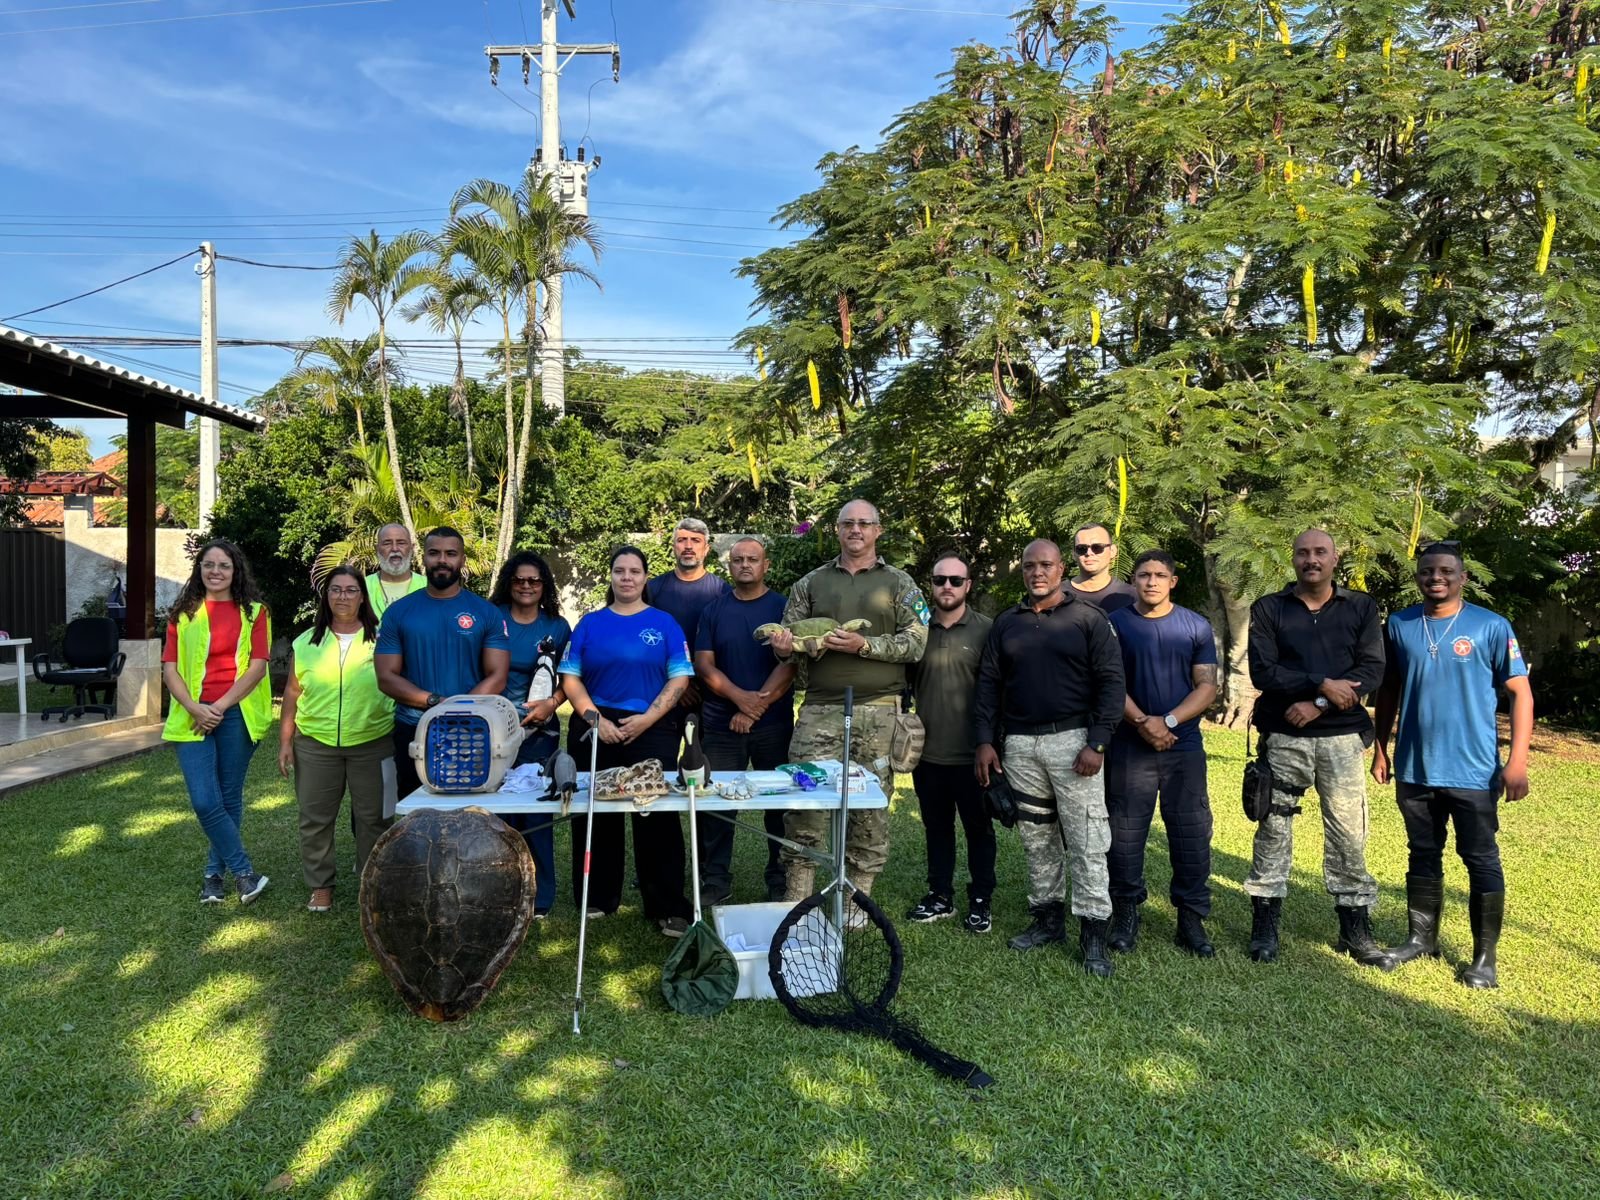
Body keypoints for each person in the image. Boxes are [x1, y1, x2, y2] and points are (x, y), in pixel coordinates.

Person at [1371, 542, 1534, 988]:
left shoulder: (1491, 626)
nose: (1435, 578)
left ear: (1462, 578)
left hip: (1474, 770)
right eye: (1427, 571)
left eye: (1445, 571)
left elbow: (1520, 693)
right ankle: (1421, 939)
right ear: (1418, 576)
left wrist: (1516, 761)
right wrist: (1381, 748)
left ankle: (1484, 958)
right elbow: (1388, 691)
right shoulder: (1401, 624)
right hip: (1415, 767)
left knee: (1480, 858)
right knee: (1422, 853)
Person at [975, 539, 1125, 976]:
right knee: (1036, 839)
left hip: (1073, 742)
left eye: (1046, 565)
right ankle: (1047, 920)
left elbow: (1112, 683)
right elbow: (987, 685)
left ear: (1061, 570)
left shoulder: (1087, 619)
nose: (1037, 573)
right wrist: (985, 740)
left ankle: (1094, 933)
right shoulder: (1007, 623)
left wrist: (1097, 742)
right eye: (1029, 566)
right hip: (1020, 745)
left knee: (1086, 840)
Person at [770, 500, 929, 905]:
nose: (855, 530)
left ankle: (856, 901)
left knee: (869, 809)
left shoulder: (900, 584)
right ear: (837, 530)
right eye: (847, 523)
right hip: (819, 710)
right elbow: (789, 646)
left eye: (864, 523)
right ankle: (797, 899)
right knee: (805, 803)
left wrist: (865, 646)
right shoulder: (811, 584)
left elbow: (917, 642)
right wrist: (786, 647)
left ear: (878, 530)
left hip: (880, 712)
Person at [1244, 528, 1390, 968]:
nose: (1312, 559)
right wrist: (1318, 682)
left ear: (1335, 558)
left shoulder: (1361, 607)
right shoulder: (1269, 608)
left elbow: (1372, 670)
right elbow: (1263, 672)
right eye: (1304, 552)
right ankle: (1265, 923)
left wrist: (1318, 702)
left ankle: (1354, 929)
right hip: (1285, 737)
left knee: (1349, 831)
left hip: (1342, 739)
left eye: (1320, 552)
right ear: (1292, 559)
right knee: (1273, 827)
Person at [559, 546, 696, 937]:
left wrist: (649, 719)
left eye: (634, 571)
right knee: (596, 814)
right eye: (619, 571)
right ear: (611, 577)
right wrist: (594, 718)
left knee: (656, 816)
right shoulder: (590, 623)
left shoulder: (665, 623)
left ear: (645, 578)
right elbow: (571, 677)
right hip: (595, 724)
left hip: (650, 725)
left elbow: (680, 678)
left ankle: (667, 905)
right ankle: (598, 898)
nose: (626, 578)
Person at [1104, 550, 1219, 957]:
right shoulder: (1114, 625)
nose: (1151, 581)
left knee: (1190, 834)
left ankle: (1190, 918)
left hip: (1182, 747)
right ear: (1132, 580)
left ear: (1172, 581)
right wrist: (1142, 723)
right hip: (1129, 747)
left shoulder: (1195, 626)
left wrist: (1166, 722)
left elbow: (1207, 687)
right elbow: (1110, 683)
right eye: (1143, 575)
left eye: (1159, 575)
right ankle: (1126, 913)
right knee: (1124, 836)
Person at [161, 539, 273, 905]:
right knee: (205, 800)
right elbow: (170, 669)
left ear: (235, 571)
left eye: (224, 565)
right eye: (208, 565)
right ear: (200, 570)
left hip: (235, 714)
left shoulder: (256, 613)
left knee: (227, 796)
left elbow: (257, 668)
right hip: (192, 715)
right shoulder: (183, 614)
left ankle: (213, 876)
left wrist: (219, 707)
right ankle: (244, 872)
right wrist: (196, 708)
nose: (216, 571)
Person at [278, 565, 393, 913]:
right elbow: (292, 693)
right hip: (316, 744)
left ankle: (372, 883)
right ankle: (321, 885)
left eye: (351, 590)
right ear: (326, 597)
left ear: (363, 596)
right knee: (315, 818)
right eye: (336, 590)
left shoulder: (383, 638)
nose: (343, 596)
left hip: (374, 741)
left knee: (376, 817)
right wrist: (286, 742)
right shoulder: (306, 642)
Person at [693, 537, 796, 905]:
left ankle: (781, 878)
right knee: (717, 806)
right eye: (738, 560)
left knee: (780, 806)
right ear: (729, 566)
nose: (745, 565)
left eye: (753, 559)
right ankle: (715, 880)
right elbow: (704, 665)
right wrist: (740, 699)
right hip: (721, 725)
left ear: (766, 565)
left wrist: (755, 708)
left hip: (774, 725)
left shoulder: (784, 608)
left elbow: (792, 664)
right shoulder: (714, 610)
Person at [374, 527, 509, 800]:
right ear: (423, 558)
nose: (442, 560)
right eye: (434, 553)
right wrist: (437, 703)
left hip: (473, 729)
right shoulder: (399, 613)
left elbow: (497, 676)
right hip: (414, 729)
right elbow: (386, 677)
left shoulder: (486, 612)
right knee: (416, 814)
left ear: (462, 560)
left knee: (472, 814)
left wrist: (460, 711)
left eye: (451, 554)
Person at [904, 552, 997, 933]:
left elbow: (998, 692)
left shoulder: (988, 630)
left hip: (974, 753)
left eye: (955, 581)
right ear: (931, 584)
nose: (947, 586)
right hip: (927, 754)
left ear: (968, 586)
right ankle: (940, 895)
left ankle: (981, 900)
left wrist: (989, 743)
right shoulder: (916, 631)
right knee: (936, 828)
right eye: (940, 579)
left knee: (979, 829)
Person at [489, 551, 572, 919]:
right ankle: (501, 890)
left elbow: (571, 678)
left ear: (544, 586)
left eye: (534, 580)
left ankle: (541, 897)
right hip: (493, 730)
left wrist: (552, 704)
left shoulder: (558, 626)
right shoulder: (492, 620)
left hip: (540, 730)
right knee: (497, 815)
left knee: (536, 814)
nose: (526, 586)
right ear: (509, 582)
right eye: (519, 580)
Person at [1065, 523, 1137, 614]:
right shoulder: (1057, 595)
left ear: (1112, 551)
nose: (1089, 553)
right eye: (1082, 548)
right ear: (1074, 554)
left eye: (1097, 547)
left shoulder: (1130, 596)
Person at [365, 523, 426, 622]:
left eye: (401, 543)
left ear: (411, 548)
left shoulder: (430, 588)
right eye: (387, 543)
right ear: (377, 549)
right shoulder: (361, 587)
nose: (394, 549)